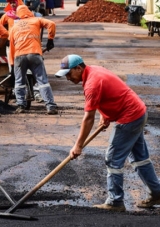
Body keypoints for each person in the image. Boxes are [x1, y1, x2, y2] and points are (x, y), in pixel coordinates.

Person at [55, 54, 160, 211]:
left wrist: (78, 145)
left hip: (129, 117)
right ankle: (157, 192)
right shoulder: (95, 70)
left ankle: (115, 201)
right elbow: (109, 92)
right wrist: (105, 115)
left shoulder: (91, 84)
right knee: (140, 158)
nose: (68, 78)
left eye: (69, 74)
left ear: (79, 68)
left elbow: (88, 118)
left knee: (113, 159)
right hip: (138, 112)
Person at [8, 5, 58, 115]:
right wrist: (50, 40)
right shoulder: (36, 20)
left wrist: (12, 64)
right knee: (42, 81)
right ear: (29, 12)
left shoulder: (14, 28)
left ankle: (21, 105)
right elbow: (52, 24)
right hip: (35, 54)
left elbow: (12, 47)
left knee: (19, 82)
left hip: (19, 56)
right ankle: (50, 106)